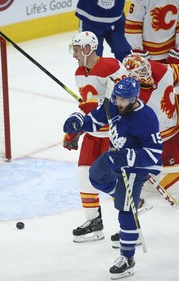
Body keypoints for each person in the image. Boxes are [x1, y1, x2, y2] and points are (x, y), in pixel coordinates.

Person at [109, 52, 179, 247]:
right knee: (177, 183)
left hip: (177, 118)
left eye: (146, 67)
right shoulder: (129, 96)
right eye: (140, 71)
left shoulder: (159, 70)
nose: (147, 73)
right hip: (161, 138)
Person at [63, 77, 163, 279]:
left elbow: (155, 155)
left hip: (135, 168)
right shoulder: (114, 103)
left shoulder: (147, 117)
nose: (120, 103)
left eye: (124, 100)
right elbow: (96, 119)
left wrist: (130, 157)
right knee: (95, 175)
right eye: (117, 99)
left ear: (135, 98)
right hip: (115, 157)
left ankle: (127, 259)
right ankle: (130, 200)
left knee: (125, 210)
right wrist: (80, 121)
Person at [63, 30, 129, 243]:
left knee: (111, 180)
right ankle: (94, 223)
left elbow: (123, 100)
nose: (73, 54)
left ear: (87, 48)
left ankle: (129, 225)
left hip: (113, 133)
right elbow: (88, 109)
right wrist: (75, 131)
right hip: (93, 133)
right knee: (84, 176)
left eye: (76, 49)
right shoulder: (79, 74)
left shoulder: (112, 66)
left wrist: (99, 106)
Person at [124, 0, 179, 145]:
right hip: (147, 57)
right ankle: (145, 127)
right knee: (147, 94)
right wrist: (138, 51)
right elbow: (132, 26)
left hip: (172, 53)